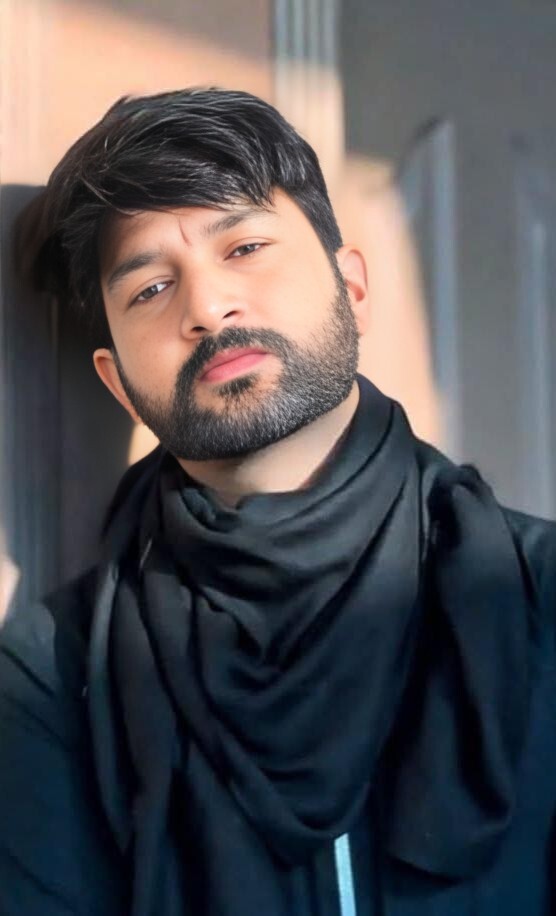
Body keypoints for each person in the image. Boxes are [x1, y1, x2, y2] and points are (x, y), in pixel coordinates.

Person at [0, 88, 555, 916]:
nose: (206, 307)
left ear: (351, 286)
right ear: (118, 384)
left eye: (246, 246)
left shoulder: (536, 593)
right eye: (150, 289)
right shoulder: (53, 675)